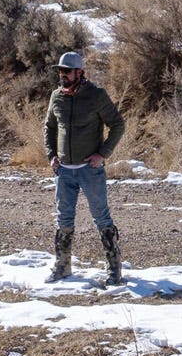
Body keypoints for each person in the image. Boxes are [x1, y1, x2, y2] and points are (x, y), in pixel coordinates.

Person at [42, 49, 126, 284]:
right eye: (60, 71)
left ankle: (114, 271)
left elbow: (118, 124)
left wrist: (103, 153)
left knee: (101, 217)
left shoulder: (96, 95)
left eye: (67, 71)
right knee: (63, 219)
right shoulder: (56, 96)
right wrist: (51, 156)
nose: (63, 75)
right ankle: (62, 268)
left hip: (90, 170)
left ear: (80, 72)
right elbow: (49, 127)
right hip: (63, 171)